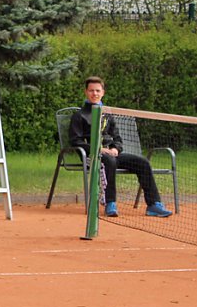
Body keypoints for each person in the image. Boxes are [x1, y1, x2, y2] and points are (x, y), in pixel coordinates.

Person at [68, 76, 172, 218]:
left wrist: (116, 149)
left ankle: (154, 205)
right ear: (86, 92)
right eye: (91, 90)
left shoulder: (108, 115)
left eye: (98, 90)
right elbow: (76, 141)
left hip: (111, 154)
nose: (95, 94)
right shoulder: (78, 116)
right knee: (109, 161)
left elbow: (117, 139)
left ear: (103, 92)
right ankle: (110, 203)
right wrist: (98, 150)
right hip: (90, 157)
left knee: (142, 162)